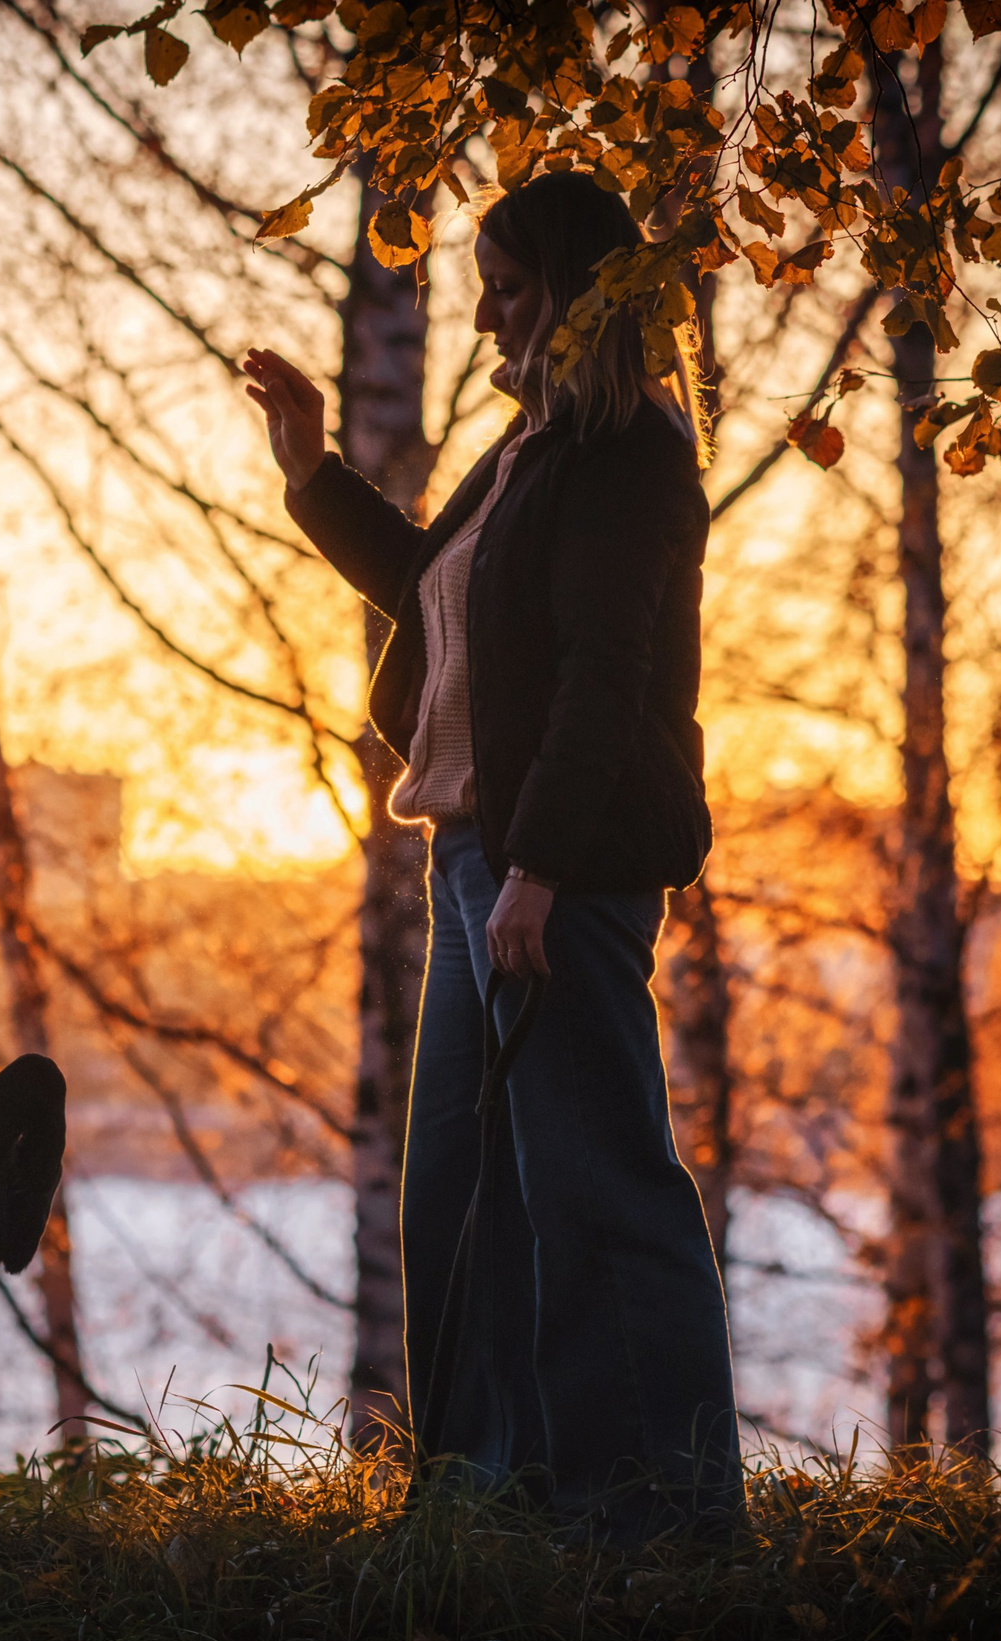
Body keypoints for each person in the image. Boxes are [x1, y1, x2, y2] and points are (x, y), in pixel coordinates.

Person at [242, 169, 738, 1539]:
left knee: (596, 1185)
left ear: (578, 294)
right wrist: (311, 465)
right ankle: (490, 1497)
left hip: (548, 872)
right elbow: (427, 587)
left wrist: (541, 866)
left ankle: (665, 1518)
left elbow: (604, 674)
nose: (479, 321)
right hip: (473, 860)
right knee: (467, 1199)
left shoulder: (630, 454)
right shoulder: (525, 455)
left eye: (506, 292)